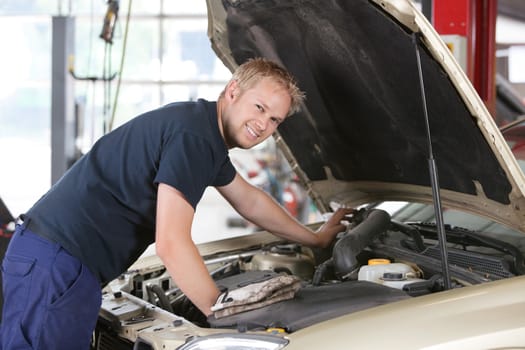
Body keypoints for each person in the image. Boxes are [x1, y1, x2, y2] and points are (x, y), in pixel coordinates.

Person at [0, 57, 352, 349]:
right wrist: (220, 312)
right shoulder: (195, 138)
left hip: (57, 260)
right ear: (233, 91)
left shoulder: (201, 131)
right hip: (58, 265)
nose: (263, 124)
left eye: (274, 119)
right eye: (259, 107)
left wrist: (316, 238)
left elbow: (251, 201)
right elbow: (171, 242)